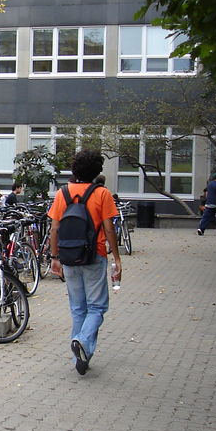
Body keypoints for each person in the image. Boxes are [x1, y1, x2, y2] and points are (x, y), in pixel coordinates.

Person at [47, 150, 123, 376]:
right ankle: (81, 341)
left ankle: (81, 358)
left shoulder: (63, 193)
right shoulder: (102, 193)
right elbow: (109, 228)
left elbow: (54, 228)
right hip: (94, 254)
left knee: (78, 308)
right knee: (97, 307)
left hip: (69, 256)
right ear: (97, 171)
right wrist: (117, 258)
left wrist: (54, 257)